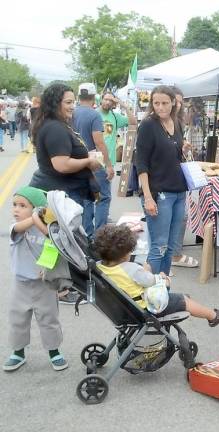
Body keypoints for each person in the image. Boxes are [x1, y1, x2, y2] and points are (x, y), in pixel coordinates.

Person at [29, 83, 102, 305]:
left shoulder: (58, 124)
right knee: (60, 242)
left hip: (63, 191)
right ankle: (60, 289)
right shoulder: (55, 128)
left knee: (56, 241)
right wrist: (89, 161)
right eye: (68, 103)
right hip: (61, 192)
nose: (73, 107)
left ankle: (52, 284)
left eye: (74, 102)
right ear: (55, 103)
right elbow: (61, 164)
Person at [94, 224, 219, 324]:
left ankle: (185, 301)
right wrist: (155, 274)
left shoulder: (100, 267)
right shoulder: (132, 269)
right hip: (144, 307)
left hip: (123, 308)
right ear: (125, 254)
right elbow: (150, 281)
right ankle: (213, 316)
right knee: (183, 300)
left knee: (180, 297)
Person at [3, 186, 68, 372]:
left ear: (37, 209)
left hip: (44, 285)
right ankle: (18, 352)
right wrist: (36, 216)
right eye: (14, 205)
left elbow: (54, 249)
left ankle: (54, 352)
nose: (16, 209)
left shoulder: (48, 231)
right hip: (20, 284)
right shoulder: (16, 228)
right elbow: (21, 226)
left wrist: (47, 267)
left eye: (22, 205)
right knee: (18, 319)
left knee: (49, 319)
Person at [136, 85, 191, 275]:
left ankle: (163, 287)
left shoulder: (176, 122)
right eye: (156, 103)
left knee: (169, 245)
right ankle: (151, 292)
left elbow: (172, 155)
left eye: (165, 103)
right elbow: (141, 163)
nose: (160, 107)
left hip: (178, 190)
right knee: (158, 246)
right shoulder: (148, 125)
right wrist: (148, 197)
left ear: (174, 103)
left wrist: (182, 149)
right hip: (159, 193)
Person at [73, 83, 114, 239]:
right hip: (94, 162)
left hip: (77, 163)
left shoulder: (72, 113)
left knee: (87, 199)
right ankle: (100, 236)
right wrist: (109, 165)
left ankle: (87, 235)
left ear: (78, 96)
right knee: (103, 197)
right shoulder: (94, 115)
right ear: (94, 96)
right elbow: (99, 142)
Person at [170, 86, 198, 269]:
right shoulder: (156, 123)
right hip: (165, 181)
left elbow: (175, 150)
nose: (179, 105)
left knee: (179, 216)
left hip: (176, 177)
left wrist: (183, 148)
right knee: (173, 217)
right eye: (176, 101)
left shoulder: (177, 122)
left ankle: (173, 254)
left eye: (181, 101)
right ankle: (173, 256)